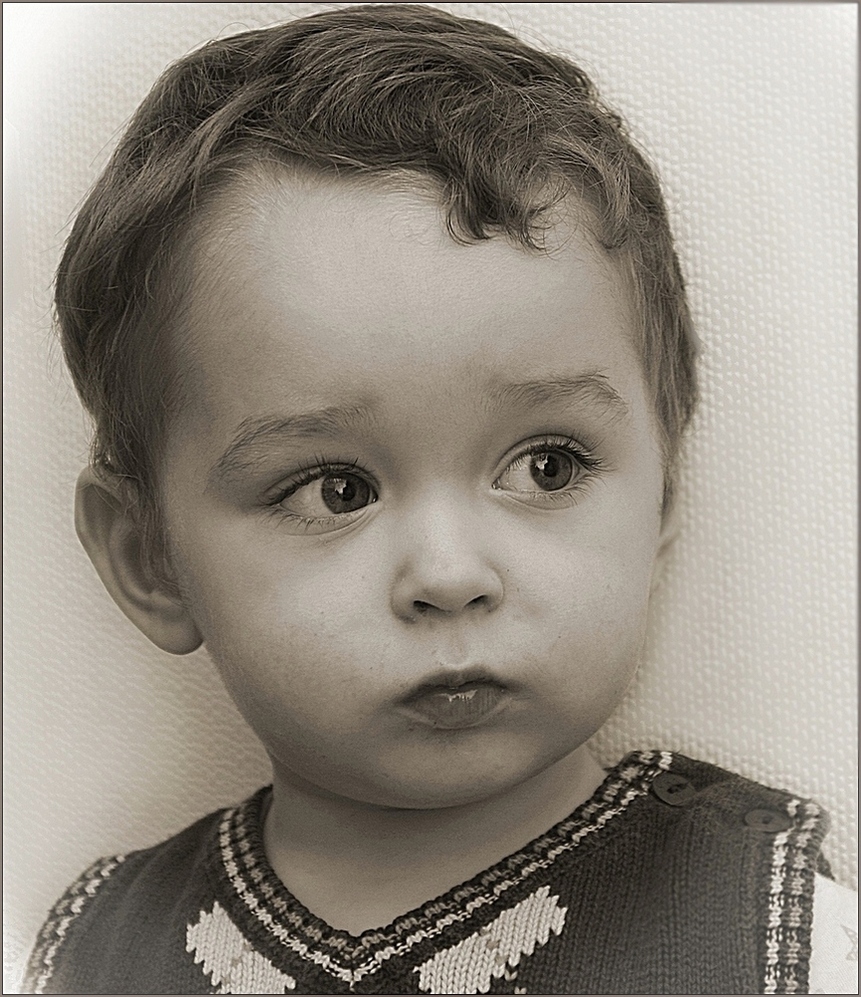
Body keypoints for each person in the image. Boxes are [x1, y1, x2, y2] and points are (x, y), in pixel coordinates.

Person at [23, 5, 855, 994]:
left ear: (663, 486)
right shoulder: (87, 956)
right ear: (148, 558)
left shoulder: (779, 937)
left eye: (547, 467)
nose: (451, 575)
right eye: (337, 490)